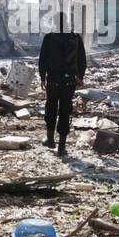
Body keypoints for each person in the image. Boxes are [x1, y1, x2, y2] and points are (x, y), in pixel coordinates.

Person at [37, 14, 86, 156]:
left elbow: (43, 60)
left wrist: (42, 78)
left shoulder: (49, 38)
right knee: (65, 110)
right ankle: (61, 147)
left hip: (53, 80)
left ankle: (50, 139)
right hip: (69, 81)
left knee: (51, 107)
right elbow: (82, 59)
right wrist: (81, 76)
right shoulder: (75, 38)